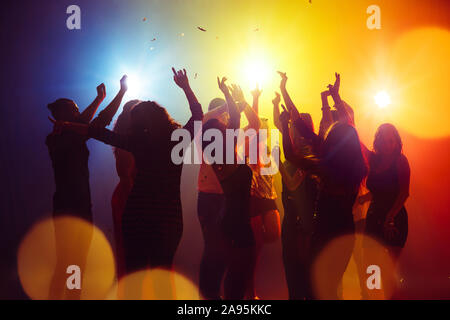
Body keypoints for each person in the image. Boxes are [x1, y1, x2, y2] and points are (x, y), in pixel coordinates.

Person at [50, 68, 203, 299]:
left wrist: (70, 125)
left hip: (137, 215)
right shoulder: (177, 141)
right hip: (168, 218)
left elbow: (98, 132)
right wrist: (186, 88)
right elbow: (199, 116)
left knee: (135, 276)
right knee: (162, 275)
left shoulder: (138, 142)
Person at [279, 75, 367, 299]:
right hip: (346, 234)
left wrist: (283, 129)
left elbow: (293, 145)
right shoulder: (358, 169)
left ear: (332, 142)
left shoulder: (327, 167)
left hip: (325, 234)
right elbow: (346, 128)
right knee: (329, 289)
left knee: (316, 289)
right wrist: (335, 97)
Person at [46, 76, 128, 299]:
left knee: (75, 261)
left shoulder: (67, 135)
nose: (78, 111)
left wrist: (103, 98)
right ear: (62, 114)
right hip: (69, 207)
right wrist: (111, 96)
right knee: (69, 261)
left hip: (77, 205)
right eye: (74, 109)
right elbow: (95, 124)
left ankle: (71, 296)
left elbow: (90, 125)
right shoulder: (56, 138)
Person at [358, 123, 410, 299]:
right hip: (374, 217)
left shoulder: (400, 161)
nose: (388, 145)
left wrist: (390, 218)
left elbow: (403, 193)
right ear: (377, 142)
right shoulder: (373, 160)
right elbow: (355, 138)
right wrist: (338, 103)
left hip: (394, 219)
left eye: (391, 141)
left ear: (397, 142)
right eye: (384, 141)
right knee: (371, 269)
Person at [111, 99, 141, 279]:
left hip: (132, 196)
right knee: (131, 252)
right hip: (129, 198)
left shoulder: (134, 139)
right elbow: (124, 174)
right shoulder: (125, 142)